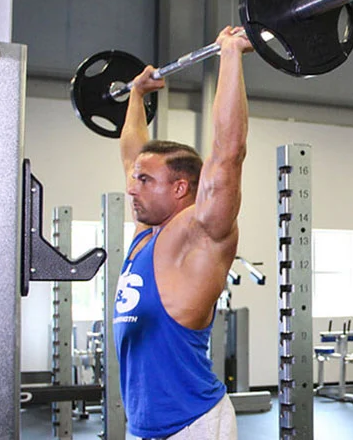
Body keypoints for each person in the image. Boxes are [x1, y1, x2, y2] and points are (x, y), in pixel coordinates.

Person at [113, 26, 253, 440]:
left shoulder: (201, 235)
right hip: (145, 426)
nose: (130, 187)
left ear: (179, 188)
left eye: (143, 180)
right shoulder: (145, 234)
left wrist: (231, 55)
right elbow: (130, 152)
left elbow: (228, 153)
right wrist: (137, 96)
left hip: (193, 426)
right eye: (135, 178)